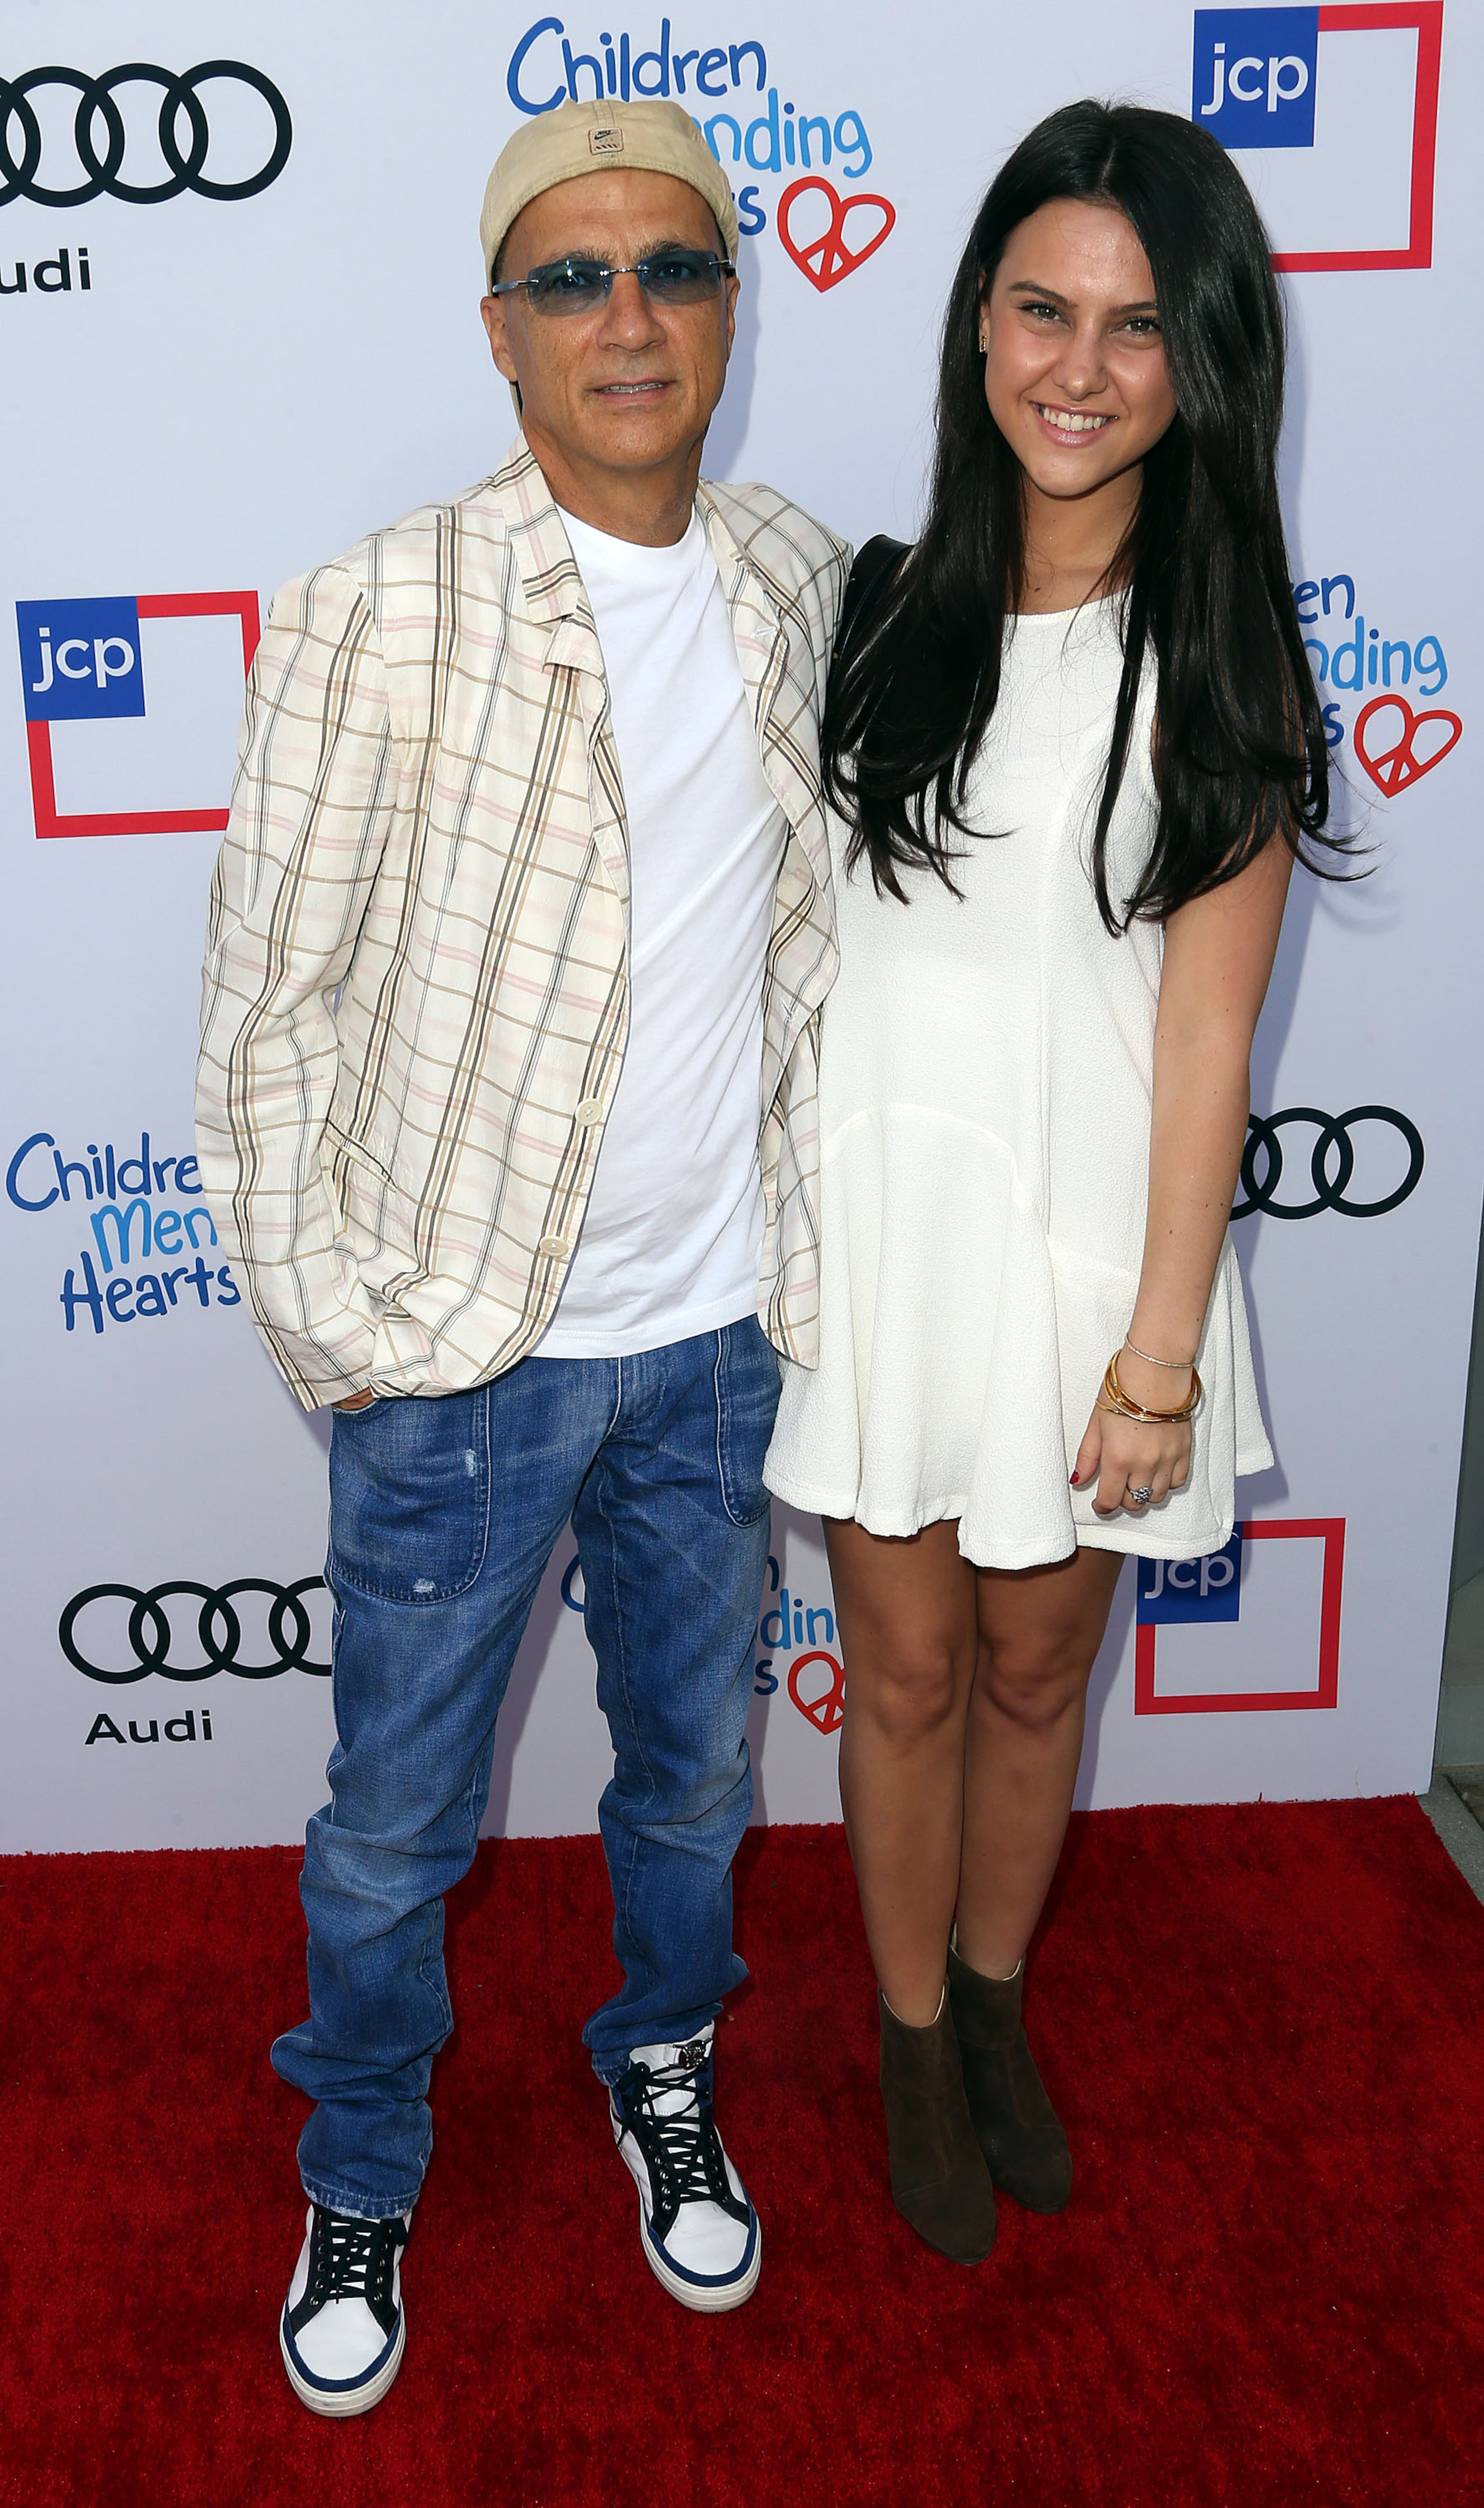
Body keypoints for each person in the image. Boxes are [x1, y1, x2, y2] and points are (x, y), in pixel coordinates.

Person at [196, 96, 846, 2413]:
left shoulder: (799, 577)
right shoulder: (379, 607)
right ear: (500, 329)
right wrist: (347, 1336)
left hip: (720, 1342)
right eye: (574, 277)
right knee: (394, 1829)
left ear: (731, 310)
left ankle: (660, 2051)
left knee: (690, 1782)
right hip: (461, 1361)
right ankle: (362, 2156)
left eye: (673, 268)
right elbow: (262, 1016)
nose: (627, 316)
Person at [764, 99, 1336, 2264]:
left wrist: (1161, 1357)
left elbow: (1205, 1044)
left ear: (1204, 361)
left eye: (1137, 325)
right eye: (1039, 309)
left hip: (1100, 1266)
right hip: (893, 1253)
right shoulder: (866, 612)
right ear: (976, 323)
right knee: (904, 1674)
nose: (1078, 368)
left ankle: (994, 2000)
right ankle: (911, 2031)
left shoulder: (1227, 660)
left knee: (1032, 1676)